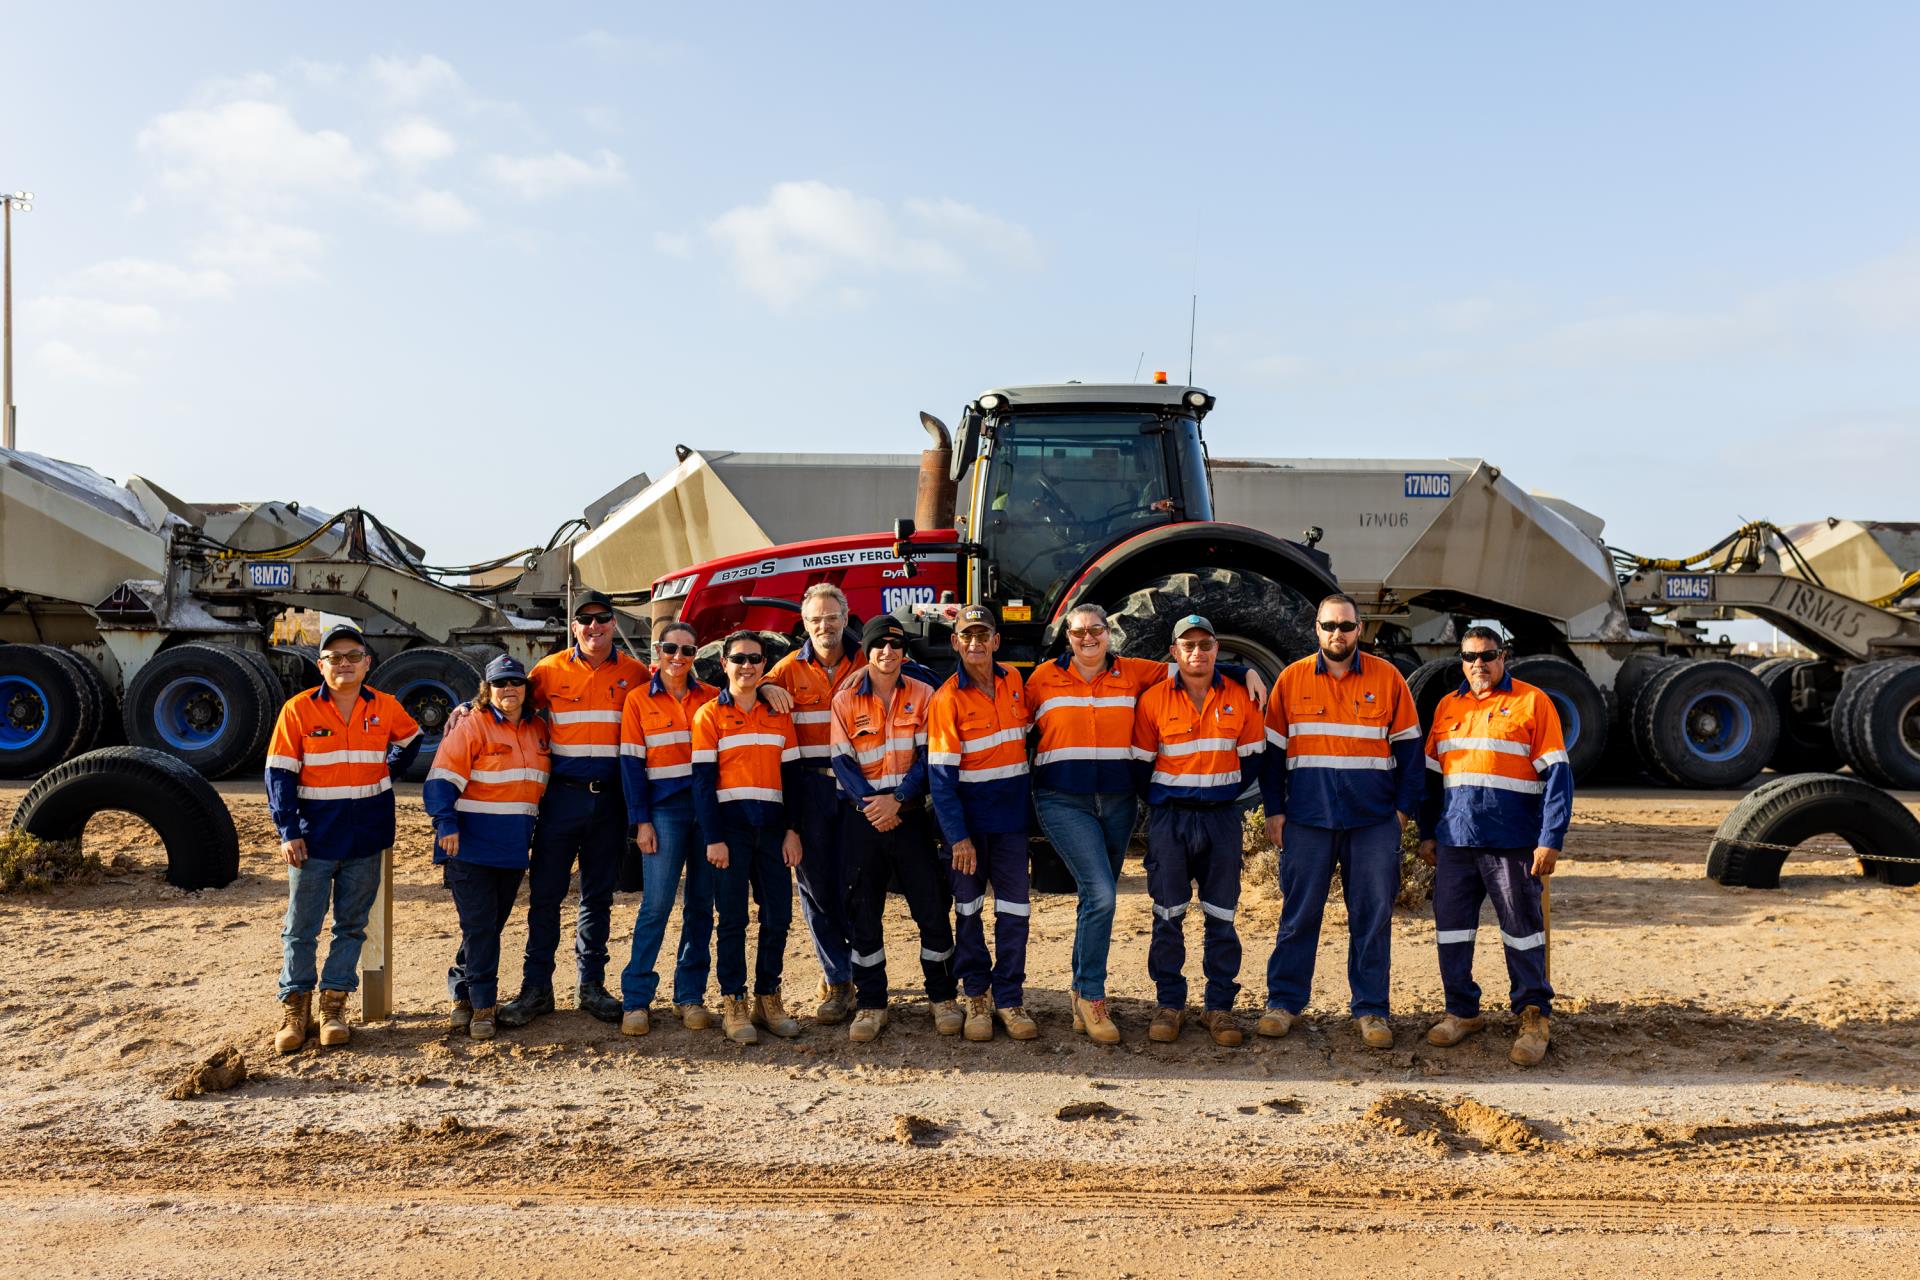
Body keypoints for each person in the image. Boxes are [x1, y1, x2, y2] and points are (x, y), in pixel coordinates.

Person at [1025, 602, 1268, 1045]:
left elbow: (1194, 665)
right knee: (1103, 894)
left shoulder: (1135, 672)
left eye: (1096, 630)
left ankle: (1090, 993)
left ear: (1108, 634)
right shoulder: (1041, 679)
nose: (1089, 638)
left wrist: (1239, 670)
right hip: (1070, 801)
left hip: (1124, 804)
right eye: (1079, 632)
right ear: (1067, 638)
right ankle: (1119, 998)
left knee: (1209, 912)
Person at [1256, 593, 1424, 1050]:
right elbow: (1271, 758)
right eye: (1330, 625)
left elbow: (1411, 755)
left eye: (1346, 626)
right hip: (1308, 821)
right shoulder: (1291, 681)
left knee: (1371, 918)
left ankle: (1371, 1010)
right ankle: (1283, 1002)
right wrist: (1275, 811)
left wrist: (1401, 814)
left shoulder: (1388, 679)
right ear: (1317, 629)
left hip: (1372, 823)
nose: (1338, 634)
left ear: (1360, 630)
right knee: (1298, 914)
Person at [265, 623, 423, 1054]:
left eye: (353, 656)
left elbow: (412, 740)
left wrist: (388, 770)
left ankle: (332, 1007)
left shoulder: (386, 707)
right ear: (321, 665)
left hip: (366, 837)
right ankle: (294, 1010)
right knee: (301, 928)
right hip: (313, 839)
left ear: (367, 662)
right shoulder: (298, 710)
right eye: (335, 658)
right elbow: (278, 774)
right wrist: (288, 830)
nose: (345, 664)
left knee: (351, 926)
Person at [1417, 627, 1570, 1067]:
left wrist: (1550, 839)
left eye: (1487, 655)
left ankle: (1533, 1016)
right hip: (1455, 842)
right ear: (1460, 660)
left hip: (1513, 843)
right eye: (1469, 657)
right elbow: (1431, 778)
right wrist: (1429, 833)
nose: (1478, 664)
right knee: (1451, 931)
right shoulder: (1448, 706)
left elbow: (1558, 777)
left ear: (1503, 656)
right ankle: (1461, 1012)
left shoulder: (1532, 702)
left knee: (1523, 932)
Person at [498, 590, 651, 1028]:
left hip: (610, 801)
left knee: (597, 896)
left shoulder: (635, 674)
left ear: (613, 624)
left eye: (602, 619)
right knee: (545, 895)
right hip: (561, 798)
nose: (594, 627)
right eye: (585, 620)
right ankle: (536, 989)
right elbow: (508, 705)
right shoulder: (548, 671)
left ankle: (591, 986)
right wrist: (465, 711)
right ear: (573, 626)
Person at [1130, 614, 1265, 1047]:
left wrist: (1217, 792)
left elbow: (1254, 759)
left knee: (1221, 914)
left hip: (1221, 820)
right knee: (1168, 913)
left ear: (1216, 651)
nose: (1197, 652)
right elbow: (1139, 765)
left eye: (1205, 645)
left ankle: (1219, 1006)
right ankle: (1170, 1003)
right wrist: (1170, 798)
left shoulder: (1240, 697)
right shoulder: (1152, 701)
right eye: (1187, 646)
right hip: (1170, 821)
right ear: (1174, 653)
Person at [829, 616, 959, 1042]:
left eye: (895, 645)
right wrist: (874, 805)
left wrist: (898, 800)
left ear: (905, 650)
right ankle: (871, 1004)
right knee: (863, 910)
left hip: (908, 815)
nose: (888, 652)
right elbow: (842, 762)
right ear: (866, 650)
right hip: (863, 815)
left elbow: (928, 758)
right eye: (878, 645)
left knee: (932, 906)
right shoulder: (845, 698)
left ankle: (942, 998)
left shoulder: (924, 694)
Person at [422, 655, 550, 1041]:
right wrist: (445, 823)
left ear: (526, 689)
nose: (508, 689)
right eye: (500, 684)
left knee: (488, 927)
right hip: (469, 847)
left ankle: (462, 994)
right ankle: (482, 1006)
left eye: (515, 682)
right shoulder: (471, 725)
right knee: (480, 928)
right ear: (487, 690)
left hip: (512, 849)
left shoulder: (539, 730)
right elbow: (440, 780)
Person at [927, 604, 1036, 1042]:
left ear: (996, 641)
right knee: (968, 912)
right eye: (966, 636)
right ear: (956, 643)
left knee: (1015, 912)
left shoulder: (1016, 682)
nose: (975, 643)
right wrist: (958, 838)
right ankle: (976, 996)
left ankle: (1009, 998)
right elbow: (940, 779)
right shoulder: (947, 699)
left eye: (982, 635)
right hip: (968, 831)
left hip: (1010, 825)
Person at [694, 630, 805, 1045]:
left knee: (778, 915)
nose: (747, 666)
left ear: (764, 665)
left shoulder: (780, 714)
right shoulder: (709, 716)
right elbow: (703, 783)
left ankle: (767, 998)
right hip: (731, 829)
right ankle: (733, 1001)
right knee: (733, 920)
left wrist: (793, 831)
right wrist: (714, 837)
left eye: (755, 659)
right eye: (738, 659)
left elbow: (793, 778)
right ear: (724, 664)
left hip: (774, 828)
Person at [615, 619, 720, 1035]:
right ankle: (636, 1000)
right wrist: (640, 821)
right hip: (664, 812)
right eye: (670, 649)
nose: (679, 658)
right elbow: (630, 765)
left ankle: (689, 997)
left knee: (701, 906)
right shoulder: (638, 700)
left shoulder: (713, 697)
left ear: (697, 656)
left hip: (708, 812)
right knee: (655, 905)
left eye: (688, 651)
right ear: (657, 652)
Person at [765, 583, 862, 1026]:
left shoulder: (868, 660)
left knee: (856, 882)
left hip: (859, 787)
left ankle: (854, 966)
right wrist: (766, 689)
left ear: (846, 617)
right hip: (811, 789)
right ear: (804, 624)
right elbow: (752, 686)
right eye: (815, 619)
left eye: (831, 616)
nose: (824, 625)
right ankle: (839, 981)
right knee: (817, 886)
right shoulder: (785, 671)